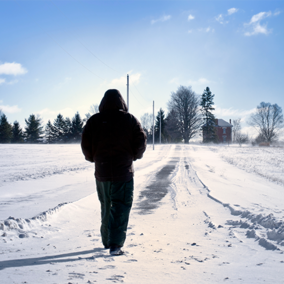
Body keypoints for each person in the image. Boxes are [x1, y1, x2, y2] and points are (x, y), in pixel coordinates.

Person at [81, 89, 146, 255]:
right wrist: (134, 156)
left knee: (106, 205)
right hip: (123, 172)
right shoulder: (129, 119)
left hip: (102, 173)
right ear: (122, 102)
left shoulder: (94, 121)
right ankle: (115, 245)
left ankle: (107, 241)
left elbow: (85, 144)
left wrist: (94, 159)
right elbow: (141, 140)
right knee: (121, 205)